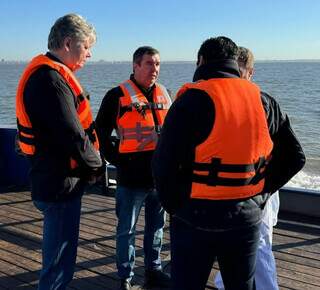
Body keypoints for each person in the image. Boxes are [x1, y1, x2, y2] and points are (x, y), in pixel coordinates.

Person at [152, 36, 305, 290]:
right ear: (235, 63)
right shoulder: (264, 101)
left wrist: (175, 206)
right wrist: (262, 193)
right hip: (246, 217)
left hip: (195, 216)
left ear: (201, 61)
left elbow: (162, 164)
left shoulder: (190, 100)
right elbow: (295, 157)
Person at [16, 14, 103, 290]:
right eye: (86, 46)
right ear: (68, 43)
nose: (89, 54)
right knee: (57, 265)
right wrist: (98, 165)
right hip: (59, 185)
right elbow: (73, 136)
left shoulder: (48, 75)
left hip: (54, 180)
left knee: (60, 257)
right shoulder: (50, 80)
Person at [95, 46, 171, 290]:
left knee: (156, 228)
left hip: (158, 178)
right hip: (130, 179)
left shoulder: (165, 94)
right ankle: (125, 277)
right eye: (149, 63)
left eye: (157, 64)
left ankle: (153, 270)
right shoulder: (116, 95)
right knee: (126, 231)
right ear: (135, 66)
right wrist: (117, 159)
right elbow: (101, 132)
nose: (155, 69)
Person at [214, 47, 280, 290]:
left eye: (238, 72)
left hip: (257, 188)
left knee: (260, 244)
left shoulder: (262, 104)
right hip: (233, 190)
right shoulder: (223, 103)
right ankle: (224, 283)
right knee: (233, 244)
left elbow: (288, 153)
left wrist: (266, 188)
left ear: (250, 73)